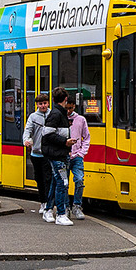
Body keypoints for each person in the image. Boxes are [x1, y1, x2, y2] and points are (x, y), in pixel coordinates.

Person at [53, 90, 87, 223]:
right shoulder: (60, 117)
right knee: (64, 183)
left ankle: (77, 206)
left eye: (71, 108)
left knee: (79, 180)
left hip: (77, 155)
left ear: (74, 107)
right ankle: (66, 207)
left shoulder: (80, 120)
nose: (68, 111)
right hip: (64, 155)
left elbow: (86, 137)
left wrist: (81, 152)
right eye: (66, 108)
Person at [25, 95, 59, 222]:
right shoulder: (33, 117)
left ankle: (47, 204)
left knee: (48, 179)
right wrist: (26, 140)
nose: (43, 106)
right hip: (36, 153)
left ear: (48, 103)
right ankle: (43, 202)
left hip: (48, 154)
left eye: (45, 103)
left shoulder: (53, 115)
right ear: (37, 105)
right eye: (40, 104)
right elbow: (28, 130)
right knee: (38, 179)